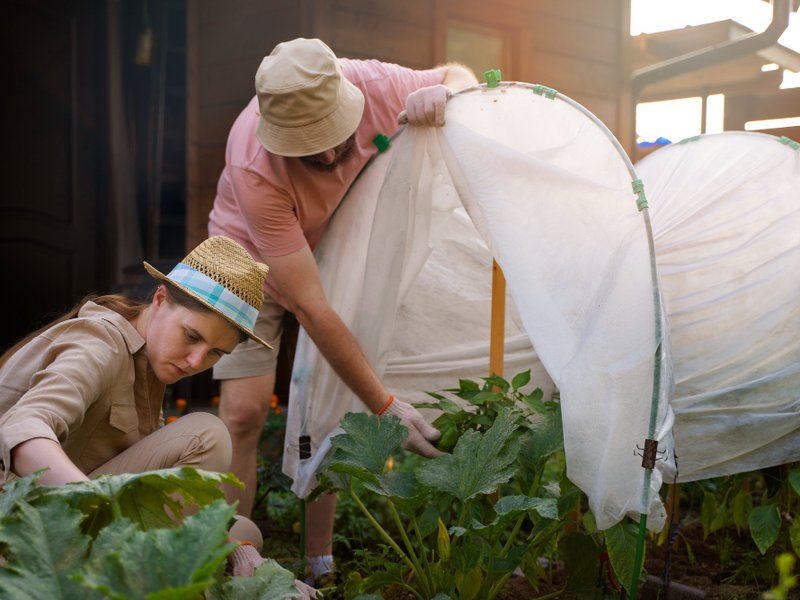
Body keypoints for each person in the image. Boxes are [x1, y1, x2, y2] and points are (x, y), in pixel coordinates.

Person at [208, 37, 477, 582]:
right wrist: (386, 405)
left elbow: (461, 75)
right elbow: (311, 308)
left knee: (324, 399)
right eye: (310, 150)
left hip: (336, 244)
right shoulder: (253, 164)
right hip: (241, 254)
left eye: (335, 138)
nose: (330, 158)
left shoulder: (371, 81)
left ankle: (320, 564)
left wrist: (446, 93)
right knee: (242, 415)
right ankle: (235, 559)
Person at [0, 235, 316, 598]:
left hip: (66, 519)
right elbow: (22, 429)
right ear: (161, 299)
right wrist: (101, 503)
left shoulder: (149, 363)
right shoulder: (100, 343)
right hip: (20, 529)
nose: (196, 362)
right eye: (192, 336)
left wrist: (249, 559)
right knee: (207, 435)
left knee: (243, 534)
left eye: (215, 353)